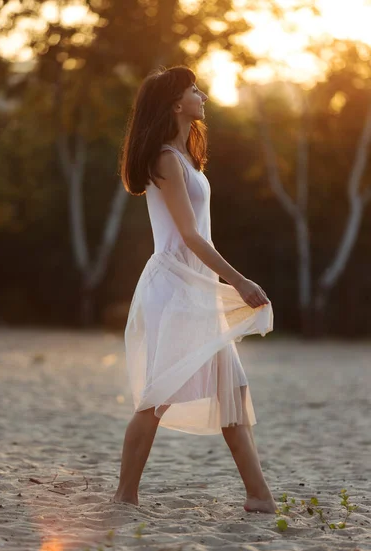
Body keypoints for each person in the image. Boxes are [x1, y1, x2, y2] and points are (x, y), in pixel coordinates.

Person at [112, 65, 277, 514]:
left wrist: (219, 283)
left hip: (195, 286)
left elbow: (199, 235)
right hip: (175, 286)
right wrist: (238, 281)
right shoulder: (165, 158)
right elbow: (189, 235)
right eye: (193, 90)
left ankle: (259, 497)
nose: (202, 95)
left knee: (232, 392)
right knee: (157, 397)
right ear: (174, 103)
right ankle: (125, 496)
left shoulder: (184, 155)